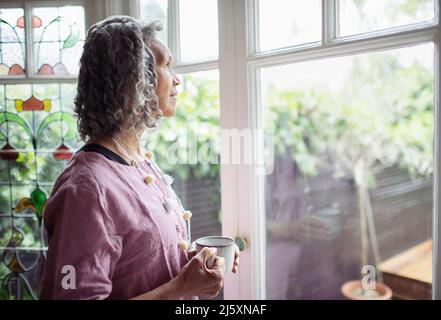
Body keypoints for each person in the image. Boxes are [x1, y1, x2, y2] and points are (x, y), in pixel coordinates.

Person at [39, 15, 239, 300]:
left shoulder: (137, 161)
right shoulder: (86, 189)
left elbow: (140, 264)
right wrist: (183, 287)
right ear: (136, 81)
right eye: (167, 65)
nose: (178, 79)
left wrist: (200, 265)